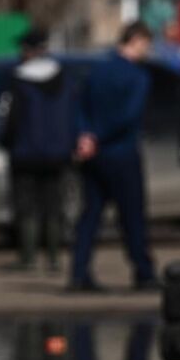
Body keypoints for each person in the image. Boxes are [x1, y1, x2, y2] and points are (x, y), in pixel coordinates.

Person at [68, 21, 158, 291]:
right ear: (138, 40)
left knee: (90, 215)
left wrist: (85, 136)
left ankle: (79, 271)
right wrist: (98, 136)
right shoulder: (138, 77)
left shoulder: (97, 71)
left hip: (95, 156)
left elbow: (80, 106)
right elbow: (128, 116)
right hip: (122, 153)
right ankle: (143, 272)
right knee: (132, 217)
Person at [0, 28, 79, 271]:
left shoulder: (18, 79)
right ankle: (54, 257)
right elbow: (72, 113)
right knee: (53, 204)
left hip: (25, 153)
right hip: (57, 153)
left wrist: (6, 141)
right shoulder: (63, 76)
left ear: (28, 51)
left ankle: (29, 257)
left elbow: (8, 117)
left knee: (26, 205)